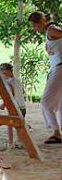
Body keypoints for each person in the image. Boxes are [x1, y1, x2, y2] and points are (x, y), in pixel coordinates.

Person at [28, 11, 62, 144]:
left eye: (34, 25)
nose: (33, 28)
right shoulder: (50, 31)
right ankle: (57, 133)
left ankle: (56, 133)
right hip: (57, 67)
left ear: (41, 22)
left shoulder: (52, 29)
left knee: (46, 102)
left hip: (60, 68)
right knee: (59, 103)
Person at [0, 62, 27, 150]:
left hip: (14, 108)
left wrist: (3, 105)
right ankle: (20, 142)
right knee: (19, 126)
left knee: (10, 125)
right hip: (22, 107)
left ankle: (10, 143)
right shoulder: (17, 81)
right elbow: (23, 92)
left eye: (2, 74)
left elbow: (10, 96)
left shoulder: (8, 83)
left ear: (5, 73)